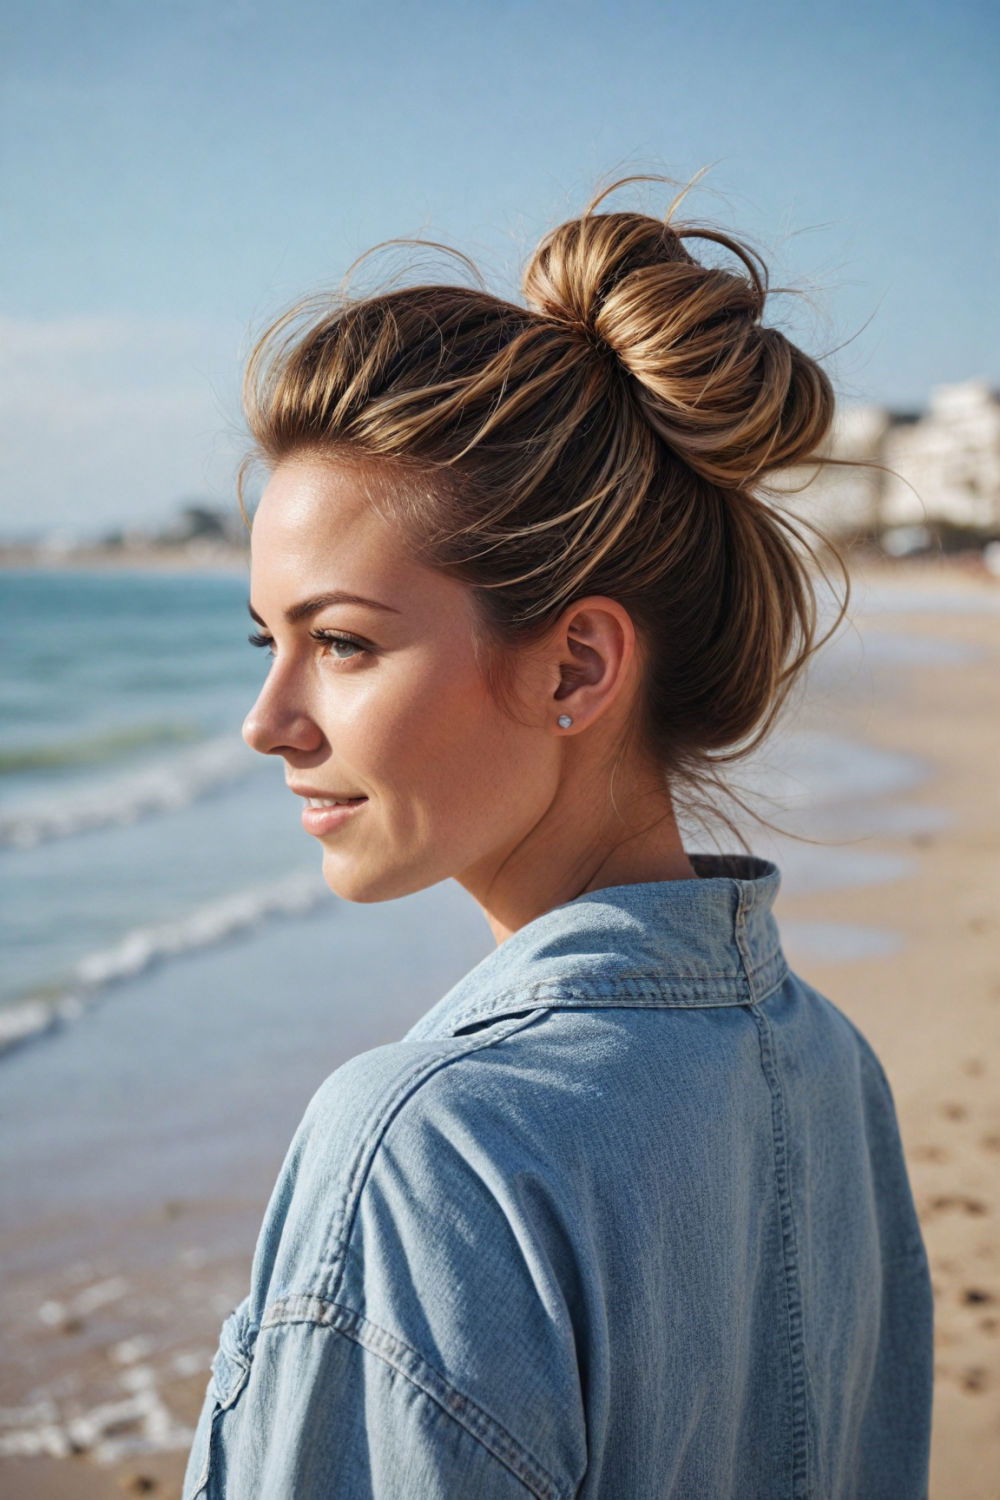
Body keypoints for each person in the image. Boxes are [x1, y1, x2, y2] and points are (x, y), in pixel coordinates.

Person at [181, 174, 934, 1499]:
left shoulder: (430, 1149)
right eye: (270, 642)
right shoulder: (828, 1066)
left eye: (342, 642)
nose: (269, 722)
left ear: (577, 667)